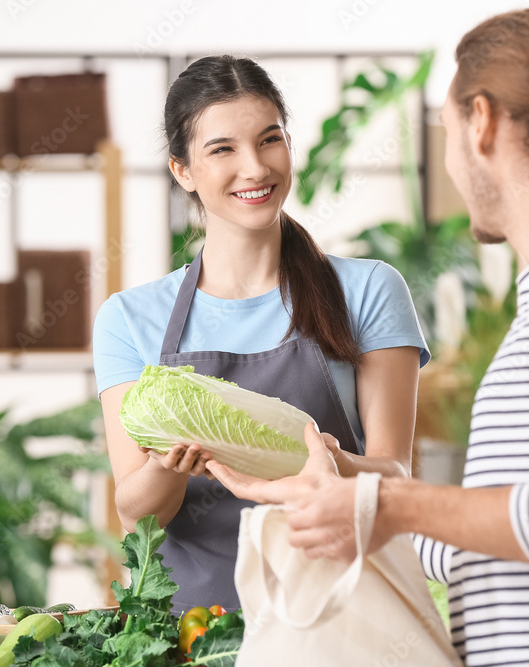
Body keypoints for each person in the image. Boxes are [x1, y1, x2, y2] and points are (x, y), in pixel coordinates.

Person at [209, 9, 529, 666]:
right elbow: (506, 547)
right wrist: (337, 489)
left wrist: (388, 499)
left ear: (481, 121)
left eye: (447, 130)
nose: (454, 164)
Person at [92, 55, 430, 615]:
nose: (254, 168)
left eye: (269, 141)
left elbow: (394, 476)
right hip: (188, 630)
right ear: (183, 170)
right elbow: (136, 515)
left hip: (336, 621)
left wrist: (320, 458)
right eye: (222, 149)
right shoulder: (130, 317)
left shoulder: (369, 289)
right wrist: (166, 468)